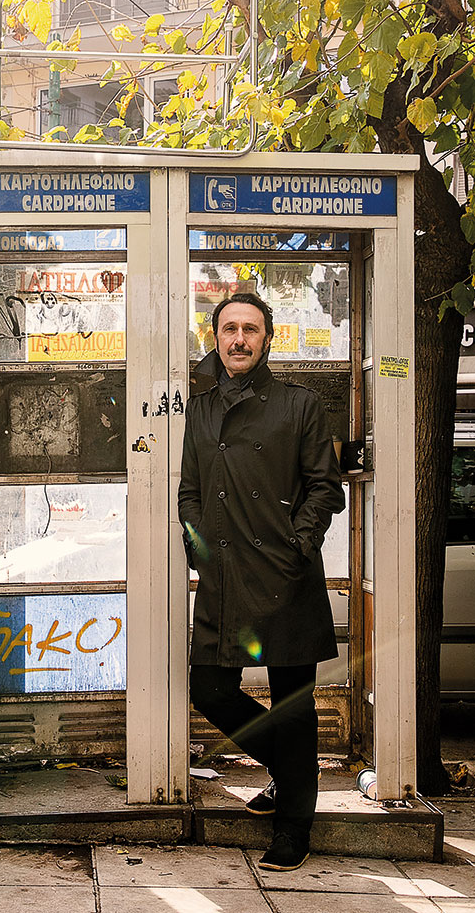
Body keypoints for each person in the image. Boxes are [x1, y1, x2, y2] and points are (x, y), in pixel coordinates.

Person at [178, 291, 345, 872]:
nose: (239, 339)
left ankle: (294, 826)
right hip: (224, 575)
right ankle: (292, 775)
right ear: (215, 337)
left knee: (292, 703)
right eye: (229, 330)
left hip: (285, 577)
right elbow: (190, 493)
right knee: (210, 690)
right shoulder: (200, 408)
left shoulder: (299, 405)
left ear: (267, 339)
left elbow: (326, 487)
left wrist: (298, 546)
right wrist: (201, 552)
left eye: (250, 329)